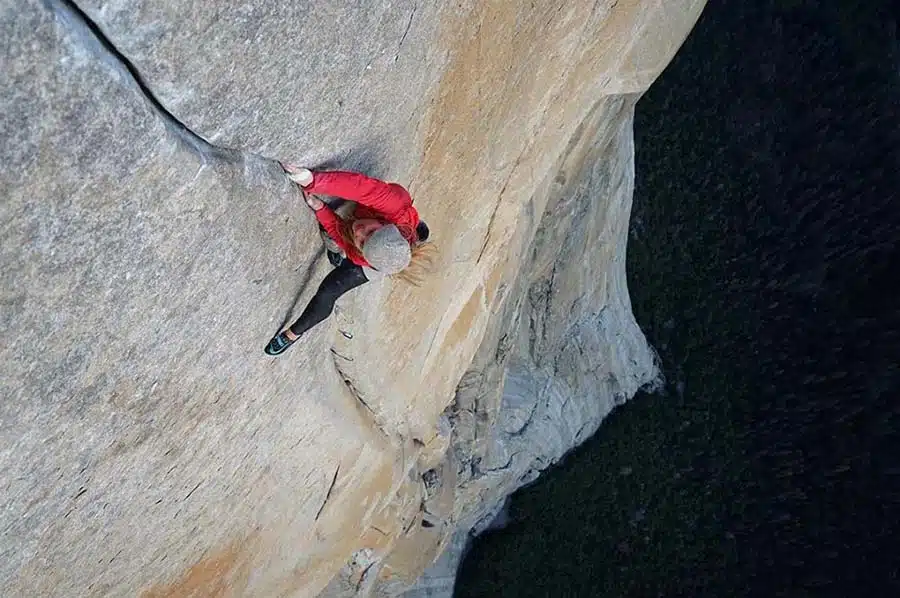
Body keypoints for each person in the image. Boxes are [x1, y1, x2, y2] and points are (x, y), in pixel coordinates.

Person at [264, 165, 434, 356]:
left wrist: (321, 209)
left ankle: (293, 334)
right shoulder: (395, 205)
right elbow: (362, 188)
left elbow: (340, 232)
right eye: (370, 232)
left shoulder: (363, 257)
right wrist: (313, 181)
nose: (360, 231)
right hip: (393, 227)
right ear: (386, 225)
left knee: (328, 291)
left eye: (362, 240)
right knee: (341, 235)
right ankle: (415, 233)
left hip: (372, 261)